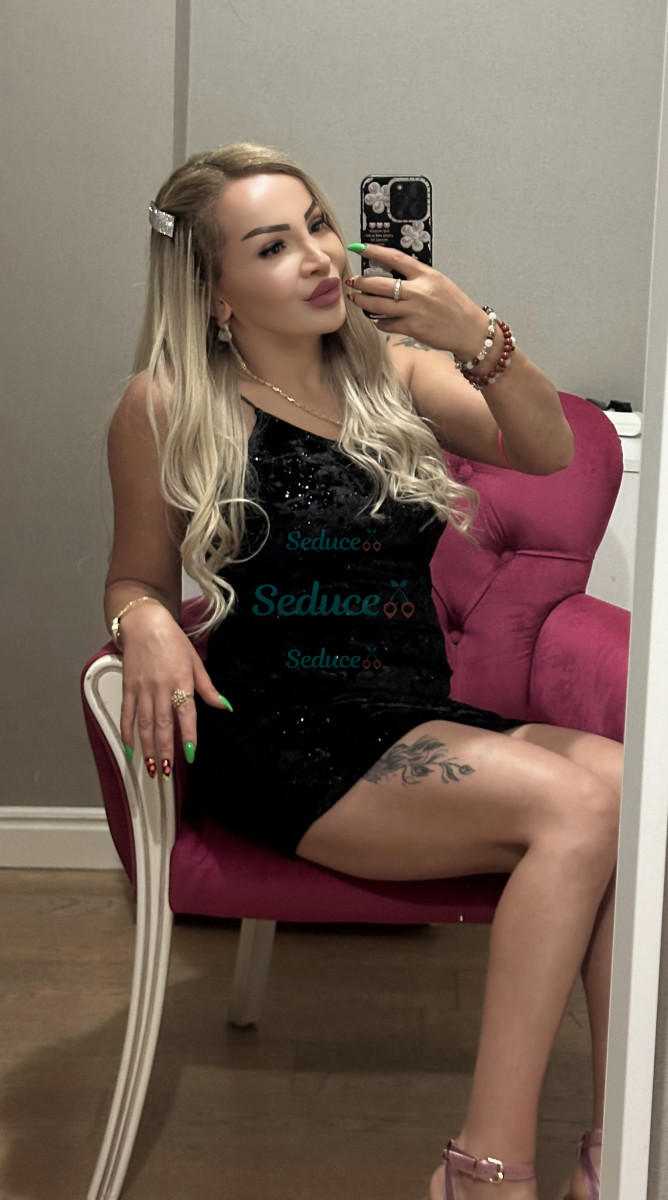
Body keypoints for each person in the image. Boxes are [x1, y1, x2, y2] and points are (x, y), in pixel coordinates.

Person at [104, 143, 620, 1200]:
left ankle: (615, 1146)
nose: (318, 257)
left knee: (634, 794)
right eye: (271, 246)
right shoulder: (165, 403)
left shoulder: (390, 369)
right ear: (213, 292)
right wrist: (145, 619)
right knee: (580, 805)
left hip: (411, 715)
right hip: (284, 736)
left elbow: (546, 450)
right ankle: (484, 1167)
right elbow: (133, 576)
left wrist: (477, 337)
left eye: (317, 224)